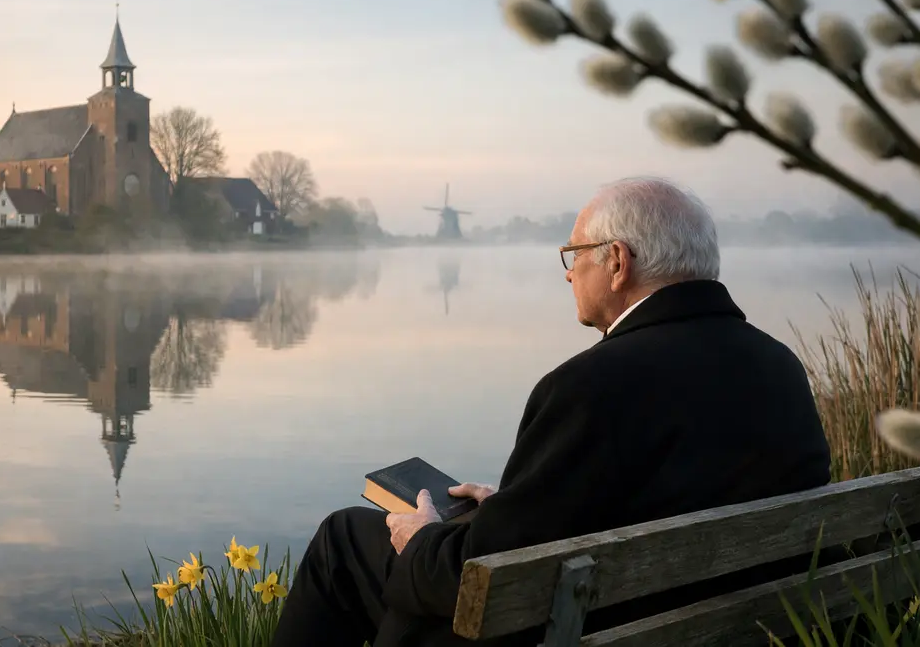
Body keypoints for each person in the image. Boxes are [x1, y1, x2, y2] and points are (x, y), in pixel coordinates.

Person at [270, 176, 832, 647]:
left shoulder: (591, 384)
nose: (568, 273)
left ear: (617, 262)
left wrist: (419, 541)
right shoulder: (778, 366)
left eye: (574, 255)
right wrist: (512, 503)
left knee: (344, 538)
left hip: (588, 629)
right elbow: (662, 491)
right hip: (722, 624)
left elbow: (479, 576)